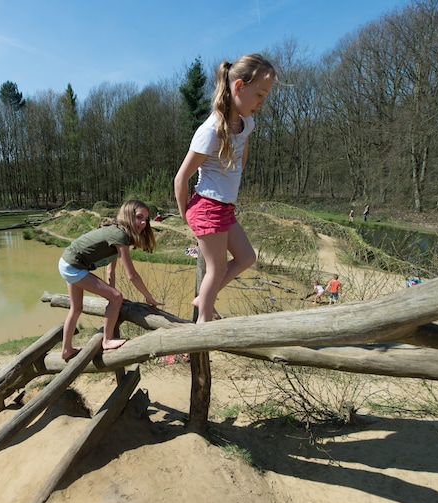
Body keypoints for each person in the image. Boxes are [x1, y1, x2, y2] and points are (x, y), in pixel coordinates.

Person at [174, 54, 276, 324]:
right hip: (207, 206)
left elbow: (241, 160)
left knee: (246, 257)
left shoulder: (247, 123)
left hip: (225, 207)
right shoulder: (210, 130)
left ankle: (204, 299)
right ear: (239, 87)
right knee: (216, 268)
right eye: (260, 95)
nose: (262, 103)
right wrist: (185, 215)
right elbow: (181, 178)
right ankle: (203, 323)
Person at [58, 199, 163, 360]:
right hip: (73, 266)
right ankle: (107, 340)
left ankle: (66, 350)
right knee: (116, 297)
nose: (143, 223)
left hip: (67, 262)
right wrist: (148, 297)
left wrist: (111, 296)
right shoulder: (119, 235)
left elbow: (110, 271)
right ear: (128, 215)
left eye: (146, 219)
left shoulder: (117, 233)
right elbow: (132, 275)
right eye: (139, 217)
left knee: (77, 308)